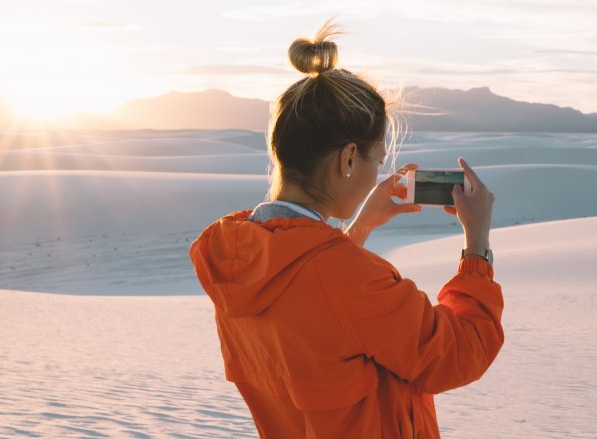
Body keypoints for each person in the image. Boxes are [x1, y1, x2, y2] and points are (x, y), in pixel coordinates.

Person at [189, 20, 503, 439]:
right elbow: (458, 353)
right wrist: (477, 247)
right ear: (348, 158)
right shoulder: (348, 278)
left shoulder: (233, 256)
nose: (379, 172)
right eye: (378, 157)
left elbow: (316, 309)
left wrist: (358, 228)